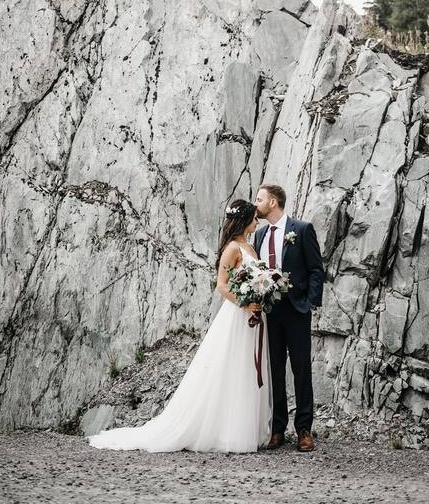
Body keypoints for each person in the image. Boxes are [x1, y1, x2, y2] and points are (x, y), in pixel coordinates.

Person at [87, 200, 272, 453]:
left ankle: (242, 426)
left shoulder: (249, 246)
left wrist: (261, 294)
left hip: (252, 317)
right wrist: (245, 302)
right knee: (232, 367)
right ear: (243, 221)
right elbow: (221, 285)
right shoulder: (232, 248)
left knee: (246, 370)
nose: (257, 221)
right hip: (237, 317)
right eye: (254, 218)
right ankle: (227, 432)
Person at [254, 184, 324, 452]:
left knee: (301, 370)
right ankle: (278, 429)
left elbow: (316, 269)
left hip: (297, 310)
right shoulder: (259, 235)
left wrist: (310, 303)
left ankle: (304, 429)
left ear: (273, 202)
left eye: (259, 199)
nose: (256, 204)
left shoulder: (302, 229)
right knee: (274, 372)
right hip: (270, 313)